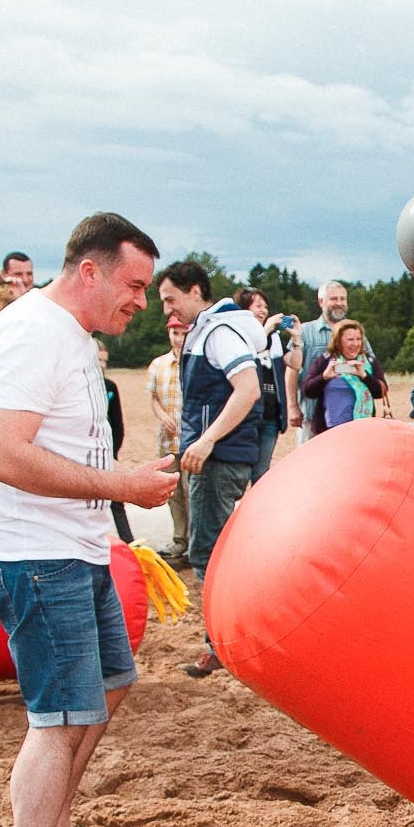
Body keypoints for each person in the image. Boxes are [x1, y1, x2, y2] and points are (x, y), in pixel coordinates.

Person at [0, 212, 179, 827]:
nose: (142, 301)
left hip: (73, 548)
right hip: (33, 555)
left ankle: (54, 824)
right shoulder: (31, 332)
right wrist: (124, 488)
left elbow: (63, 447)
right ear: (90, 271)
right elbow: (6, 453)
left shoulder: (70, 337)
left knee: (112, 681)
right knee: (55, 717)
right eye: (135, 285)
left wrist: (115, 500)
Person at [161, 262, 267, 679]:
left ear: (194, 291)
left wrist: (206, 441)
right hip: (221, 456)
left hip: (217, 458)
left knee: (208, 554)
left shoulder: (218, 332)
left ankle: (221, 645)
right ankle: (231, 639)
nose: (168, 309)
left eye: (171, 298)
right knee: (221, 550)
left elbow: (249, 388)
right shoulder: (215, 329)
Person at [145, 312, 189, 558]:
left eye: (183, 333)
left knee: (191, 490)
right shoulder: (158, 365)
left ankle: (195, 540)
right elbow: (153, 398)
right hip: (168, 439)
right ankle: (179, 538)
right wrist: (162, 417)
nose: (179, 339)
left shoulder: (195, 362)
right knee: (174, 494)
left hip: (190, 440)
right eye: (175, 333)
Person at [238, 287, 289, 485]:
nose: (263, 310)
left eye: (265, 306)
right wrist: (266, 329)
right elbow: (249, 354)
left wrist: (296, 338)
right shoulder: (238, 337)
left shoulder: (274, 339)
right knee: (240, 475)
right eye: (258, 305)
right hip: (247, 417)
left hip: (270, 416)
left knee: (261, 475)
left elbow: (293, 362)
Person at [301, 318, 388, 435]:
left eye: (359, 339)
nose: (356, 344)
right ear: (338, 341)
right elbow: (308, 391)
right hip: (329, 431)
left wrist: (364, 376)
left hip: (363, 429)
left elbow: (380, 392)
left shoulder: (369, 362)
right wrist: (324, 377)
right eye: (350, 340)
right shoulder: (326, 361)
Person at [287, 280, 349, 439]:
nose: (339, 303)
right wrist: (292, 406)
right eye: (334, 299)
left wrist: (340, 369)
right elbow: (292, 370)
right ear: (321, 302)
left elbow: (367, 366)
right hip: (311, 414)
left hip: (347, 416)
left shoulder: (354, 332)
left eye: (343, 299)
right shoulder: (305, 332)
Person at [95, 340, 135, 543]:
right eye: (98, 360)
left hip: (109, 452)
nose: (102, 365)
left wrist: (112, 452)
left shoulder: (110, 387)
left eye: (105, 361)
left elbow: (118, 424)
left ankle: (129, 541)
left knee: (116, 501)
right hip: (89, 454)